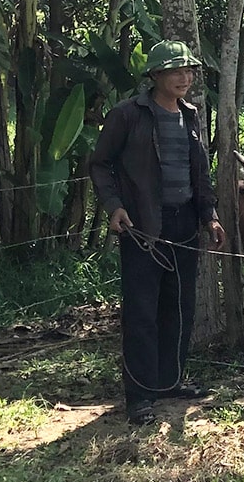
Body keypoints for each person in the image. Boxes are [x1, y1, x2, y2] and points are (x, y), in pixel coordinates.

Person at [89, 40, 225, 423]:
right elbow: (100, 164)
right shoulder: (128, 114)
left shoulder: (191, 114)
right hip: (142, 226)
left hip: (185, 222)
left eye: (189, 71)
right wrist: (114, 207)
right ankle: (139, 394)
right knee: (142, 311)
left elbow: (200, 172)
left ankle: (170, 381)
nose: (185, 78)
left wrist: (209, 215)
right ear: (155, 75)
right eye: (176, 71)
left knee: (179, 307)